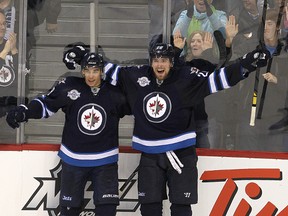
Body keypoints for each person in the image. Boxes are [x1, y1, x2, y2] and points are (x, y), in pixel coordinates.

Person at [75, 40, 269, 215]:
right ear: (151, 61)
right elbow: (108, 70)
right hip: (150, 154)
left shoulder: (187, 77)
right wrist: (82, 55)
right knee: (149, 206)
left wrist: (246, 64)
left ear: (172, 62)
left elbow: (218, 79)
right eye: (156, 60)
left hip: (181, 153)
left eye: (164, 60)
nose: (160, 64)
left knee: (181, 207)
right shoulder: (137, 76)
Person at [6, 46, 131, 215]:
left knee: (107, 210)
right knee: (68, 211)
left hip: (105, 161)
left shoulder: (115, 94)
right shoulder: (70, 87)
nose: (91, 75)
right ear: (82, 71)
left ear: (102, 71)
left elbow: (141, 104)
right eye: (87, 70)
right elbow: (45, 104)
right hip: (73, 160)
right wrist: (24, 112)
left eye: (95, 71)